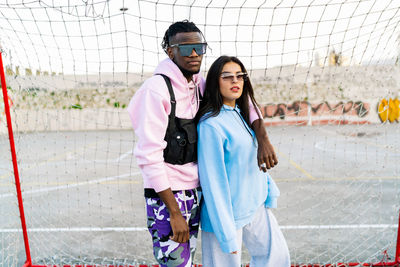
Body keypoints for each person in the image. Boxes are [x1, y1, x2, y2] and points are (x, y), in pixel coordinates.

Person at [127, 20, 277, 266]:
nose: (194, 53)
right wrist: (174, 212)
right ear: (170, 51)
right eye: (186, 48)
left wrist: (263, 139)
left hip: (197, 191)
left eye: (200, 47)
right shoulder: (156, 90)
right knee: (175, 263)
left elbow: (243, 101)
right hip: (169, 196)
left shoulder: (198, 84)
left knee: (192, 260)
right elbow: (148, 155)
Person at [197, 56, 290, 267]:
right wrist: (225, 232)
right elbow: (213, 183)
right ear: (215, 82)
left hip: (254, 204)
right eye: (227, 77)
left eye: (239, 76)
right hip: (226, 216)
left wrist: (267, 189)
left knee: (277, 258)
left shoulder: (240, 112)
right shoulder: (211, 125)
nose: (234, 81)